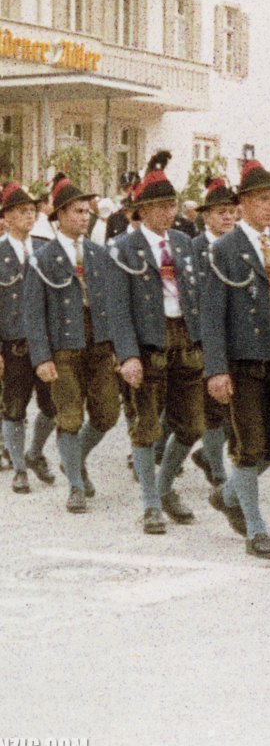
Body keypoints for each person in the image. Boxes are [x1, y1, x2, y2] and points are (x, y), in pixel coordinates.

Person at [201, 160, 270, 560]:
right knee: (249, 444)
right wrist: (216, 369)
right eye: (264, 199)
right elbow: (211, 316)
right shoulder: (224, 249)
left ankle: (229, 494)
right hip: (244, 358)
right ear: (244, 203)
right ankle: (255, 528)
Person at [109, 151, 206, 534]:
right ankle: (150, 503)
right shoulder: (124, 247)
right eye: (163, 206)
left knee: (192, 425)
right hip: (148, 340)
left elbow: (195, 296)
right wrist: (127, 355)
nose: (171, 211)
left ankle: (165, 488)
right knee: (145, 426)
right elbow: (116, 307)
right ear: (143, 210)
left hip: (185, 337)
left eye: (173, 204)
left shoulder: (183, 242)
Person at [24, 176, 122, 513]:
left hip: (99, 344)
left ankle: (74, 458)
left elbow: (112, 304)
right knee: (68, 416)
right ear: (61, 215)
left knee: (108, 413)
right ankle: (76, 486)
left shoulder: (99, 254)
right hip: (63, 345)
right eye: (78, 211)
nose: (85, 217)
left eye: (87, 212)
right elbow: (33, 313)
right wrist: (41, 357)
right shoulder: (42, 258)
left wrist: (120, 350)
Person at [0, 183, 57, 493]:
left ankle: (35, 452)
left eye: (32, 211)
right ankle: (20, 468)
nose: (29, 215)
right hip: (14, 343)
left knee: (52, 406)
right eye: (21, 211)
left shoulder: (45, 248)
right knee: (14, 406)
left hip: (46, 344)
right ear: (6, 217)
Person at [190, 176, 238, 490]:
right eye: (221, 212)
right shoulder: (195, 247)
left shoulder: (237, 245)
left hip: (235, 331)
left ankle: (209, 455)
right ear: (206, 216)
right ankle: (214, 463)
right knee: (209, 404)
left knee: (227, 402)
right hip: (204, 331)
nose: (228, 217)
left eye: (232, 211)